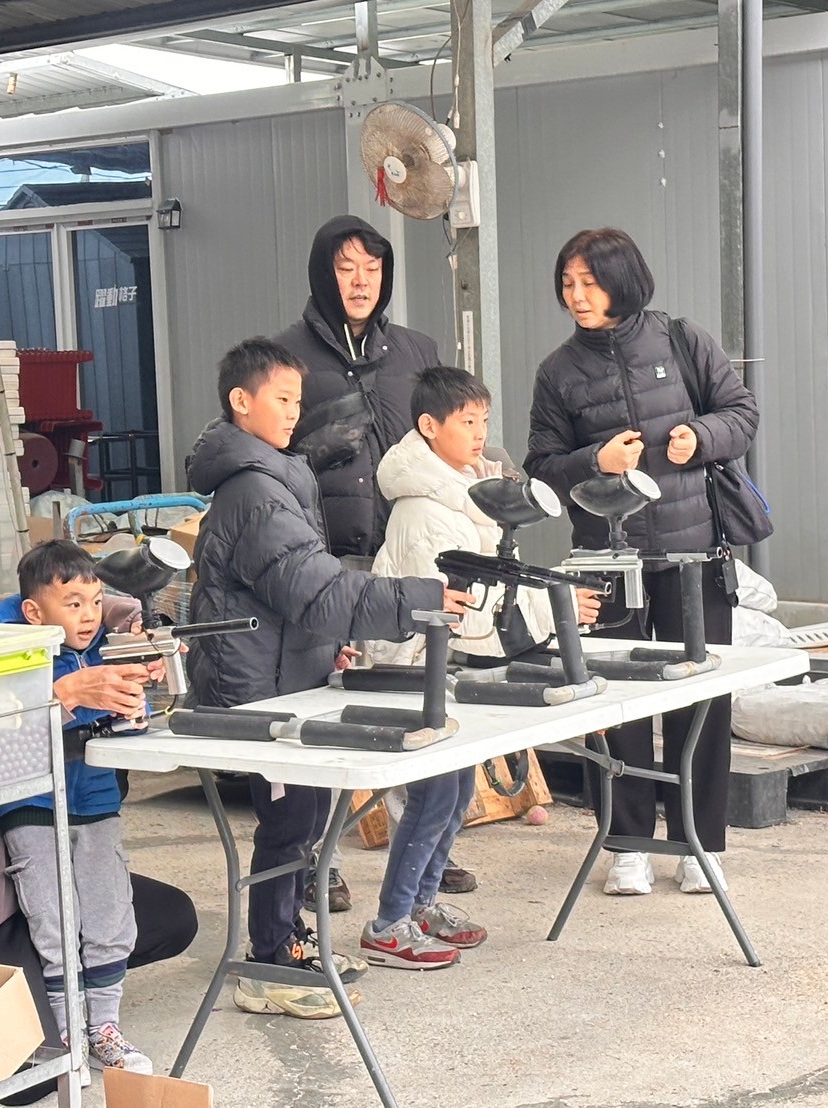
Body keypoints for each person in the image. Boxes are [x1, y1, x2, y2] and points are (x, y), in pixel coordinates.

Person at [185, 337, 465, 1018]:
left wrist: (323, 647)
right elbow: (316, 592)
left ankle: (287, 940)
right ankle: (268, 963)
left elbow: (292, 602)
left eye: (297, 400)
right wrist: (419, 598)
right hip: (256, 696)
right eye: (281, 399)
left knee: (303, 819)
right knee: (287, 825)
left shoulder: (274, 478)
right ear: (240, 401)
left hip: (284, 679)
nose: (293, 412)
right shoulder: (255, 492)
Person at [0, 522, 197, 1092]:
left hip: (25, 881)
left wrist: (132, 633)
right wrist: (62, 695)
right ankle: (46, 1000)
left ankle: (82, 1003)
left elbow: (59, 602)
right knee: (34, 1078)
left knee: (169, 916)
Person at [524, 227, 760, 896]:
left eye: (589, 283)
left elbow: (741, 413)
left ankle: (697, 844)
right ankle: (626, 843)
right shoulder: (557, 371)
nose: (576, 296)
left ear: (622, 282)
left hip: (693, 554)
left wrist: (701, 436)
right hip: (607, 559)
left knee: (701, 700)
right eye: (567, 284)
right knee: (613, 701)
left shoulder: (682, 340)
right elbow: (540, 467)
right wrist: (593, 461)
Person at [360, 367, 602, 969]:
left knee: (457, 788)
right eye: (466, 421)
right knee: (436, 793)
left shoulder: (464, 494)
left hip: (447, 669)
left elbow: (490, 593)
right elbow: (459, 608)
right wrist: (552, 607)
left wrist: (548, 601)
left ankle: (420, 906)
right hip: (415, 667)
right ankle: (390, 923)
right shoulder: (424, 511)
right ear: (428, 426)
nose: (479, 433)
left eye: (484, 421)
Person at [274, 214, 458, 910]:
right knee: (328, 706)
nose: (360, 282)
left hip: (407, 551)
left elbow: (446, 440)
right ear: (323, 273)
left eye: (372, 269)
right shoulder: (286, 353)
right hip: (329, 556)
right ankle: (317, 859)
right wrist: (317, 449)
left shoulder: (416, 350)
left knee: (417, 694)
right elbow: (268, 447)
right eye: (346, 267)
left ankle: (426, 843)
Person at [0, 541, 153, 1075]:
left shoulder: (109, 645)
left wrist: (136, 703)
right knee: (52, 919)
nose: (88, 615)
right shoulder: (6, 651)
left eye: (95, 601)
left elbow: (132, 720)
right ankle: (67, 1033)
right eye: (73, 603)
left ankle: (104, 1027)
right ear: (34, 612)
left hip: (97, 798)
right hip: (29, 801)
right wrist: (65, 695)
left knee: (109, 911)